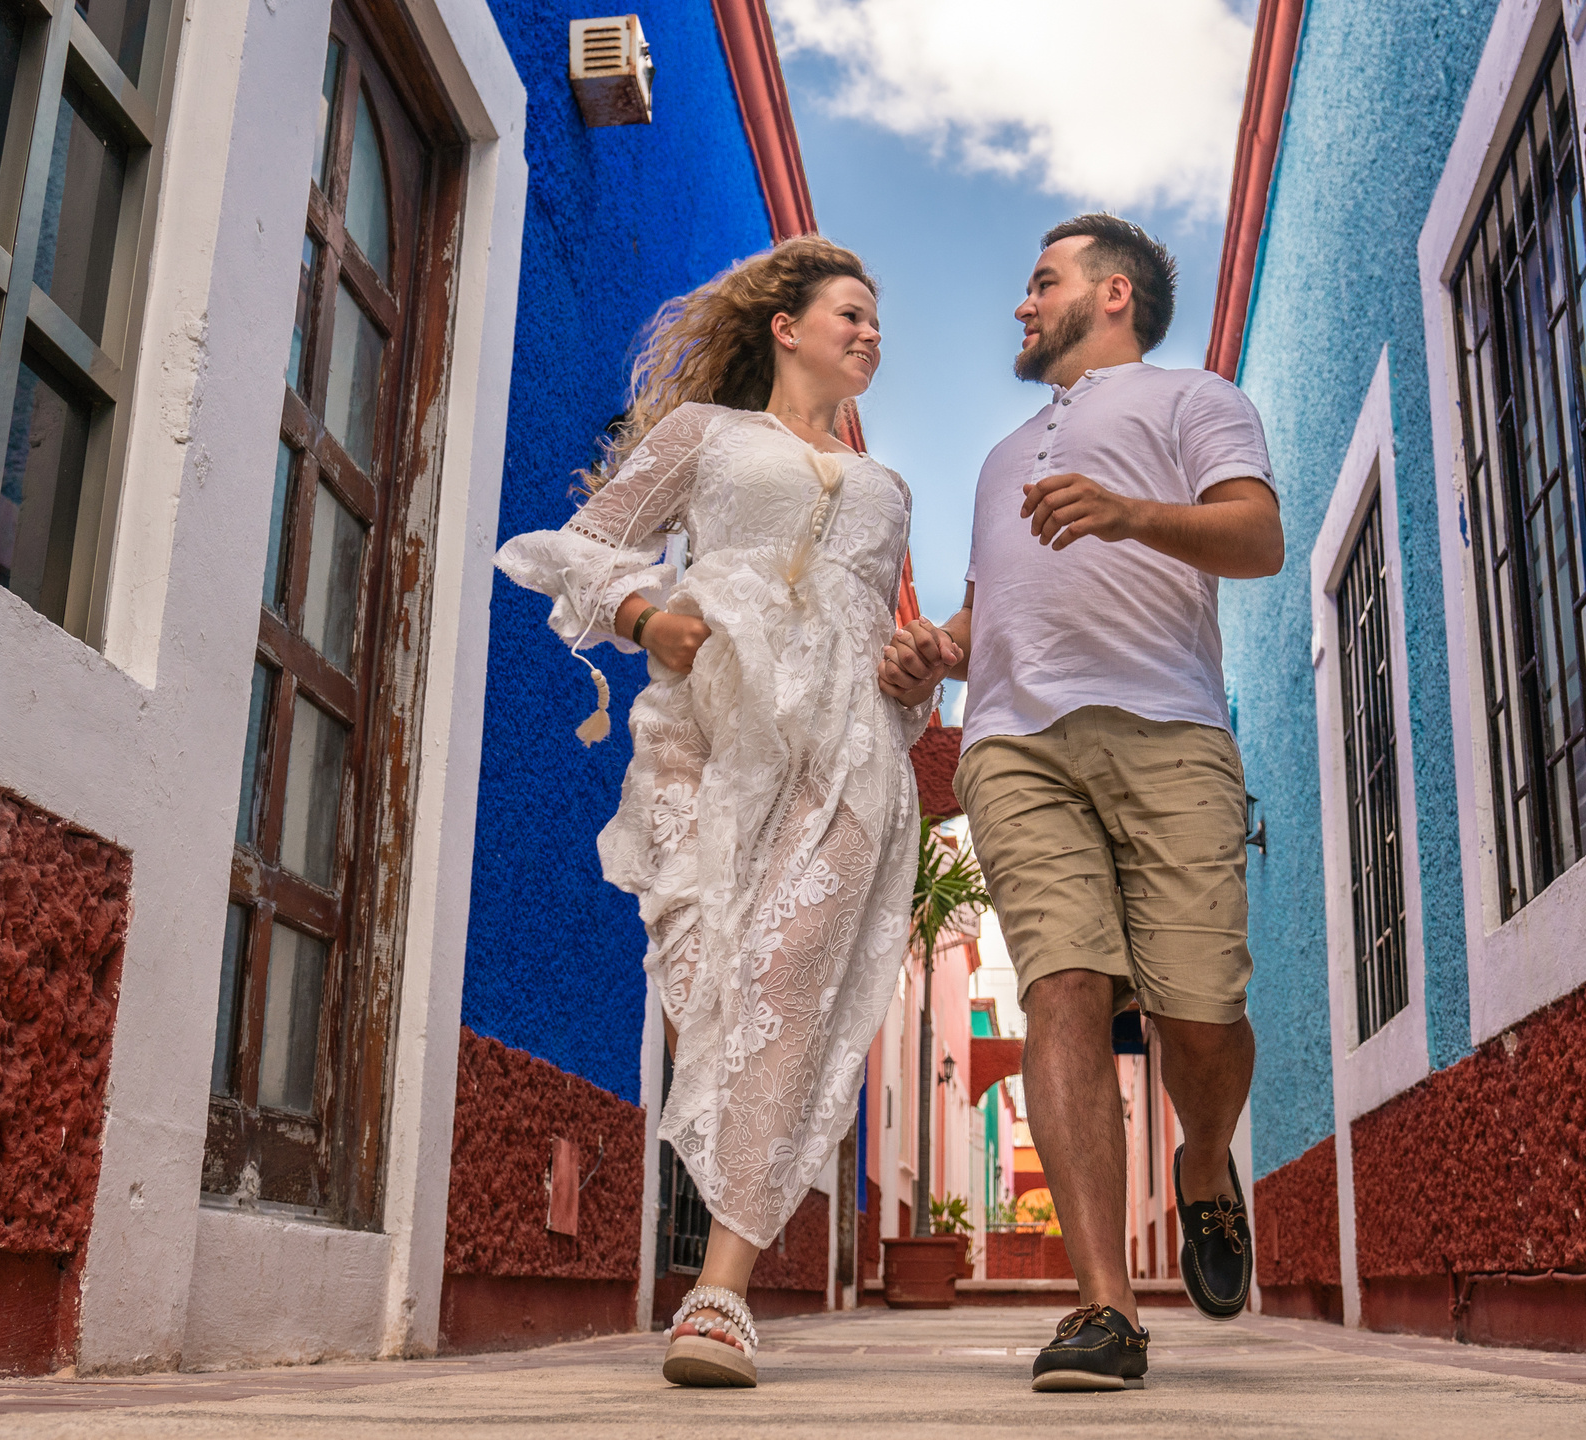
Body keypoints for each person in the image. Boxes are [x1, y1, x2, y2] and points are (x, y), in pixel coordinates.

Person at [498, 237, 945, 1389]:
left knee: (790, 979)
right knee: (707, 985)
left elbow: (884, 660)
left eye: (877, 321)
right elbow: (582, 544)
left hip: (847, 760)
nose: (869, 333)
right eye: (850, 312)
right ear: (786, 327)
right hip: (712, 740)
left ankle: (721, 1290)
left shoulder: (891, 492)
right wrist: (646, 615)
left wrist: (916, 674)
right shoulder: (707, 439)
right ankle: (724, 1232)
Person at [878, 214, 1282, 1392]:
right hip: (1015, 745)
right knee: (1059, 983)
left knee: (1199, 1014)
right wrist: (934, 653)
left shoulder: (1194, 399)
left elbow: (1254, 536)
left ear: (1112, 294)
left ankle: (1202, 1162)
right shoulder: (1004, 458)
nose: (1021, 302)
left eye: (1040, 280)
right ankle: (1104, 1306)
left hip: (1168, 728)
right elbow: (984, 613)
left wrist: (1129, 512)